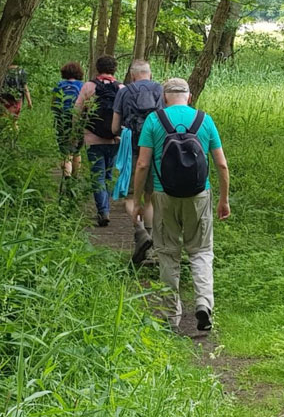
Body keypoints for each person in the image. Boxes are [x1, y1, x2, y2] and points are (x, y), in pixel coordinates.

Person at [133, 77, 230, 332]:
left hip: (164, 195)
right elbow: (221, 164)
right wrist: (223, 199)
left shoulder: (154, 121)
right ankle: (203, 305)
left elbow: (142, 164)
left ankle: (169, 314)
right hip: (199, 195)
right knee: (200, 251)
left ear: (165, 97)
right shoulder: (204, 120)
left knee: (167, 252)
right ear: (188, 96)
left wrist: (138, 199)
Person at [111, 60, 164, 265]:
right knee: (150, 198)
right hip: (156, 150)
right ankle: (150, 243)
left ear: (132, 75)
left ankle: (140, 232)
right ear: (150, 74)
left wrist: (119, 134)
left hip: (132, 148)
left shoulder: (124, 92)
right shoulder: (160, 89)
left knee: (131, 195)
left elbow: (115, 126)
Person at [75, 56, 122, 227]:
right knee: (109, 174)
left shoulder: (89, 86)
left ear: (97, 68)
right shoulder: (121, 88)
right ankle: (106, 207)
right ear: (114, 69)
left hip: (93, 138)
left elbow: (77, 110)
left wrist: (76, 130)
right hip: (115, 139)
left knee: (98, 175)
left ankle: (103, 211)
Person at [52, 62, 84, 182]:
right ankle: (74, 179)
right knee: (77, 151)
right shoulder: (82, 85)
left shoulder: (59, 85)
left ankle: (67, 177)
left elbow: (54, 104)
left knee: (65, 151)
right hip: (78, 120)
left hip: (62, 120)